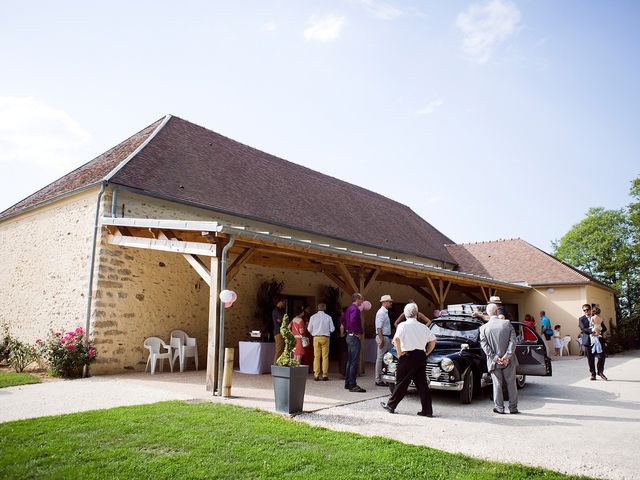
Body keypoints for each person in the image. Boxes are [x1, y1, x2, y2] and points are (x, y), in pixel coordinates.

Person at [380, 303, 436, 417]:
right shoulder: (424, 327)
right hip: (420, 356)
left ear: (405, 314)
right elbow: (433, 342)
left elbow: (396, 340)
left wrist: (400, 353)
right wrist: (426, 353)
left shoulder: (403, 325)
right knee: (422, 384)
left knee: (401, 382)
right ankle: (427, 410)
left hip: (408, 356)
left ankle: (391, 405)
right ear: (417, 314)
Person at [479, 303, 519, 414]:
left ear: (487, 313)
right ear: (497, 311)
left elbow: (485, 346)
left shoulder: (483, 328)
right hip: (508, 360)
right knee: (511, 383)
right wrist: (507, 355)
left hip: (493, 361)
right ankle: (513, 408)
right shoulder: (507, 323)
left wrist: (495, 357)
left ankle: (499, 408)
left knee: (497, 384)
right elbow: (513, 341)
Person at [342, 292, 366, 393]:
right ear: (357, 299)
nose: (363, 301)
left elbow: (343, 320)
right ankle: (352, 384)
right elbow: (353, 321)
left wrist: (348, 330)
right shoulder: (355, 309)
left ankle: (348, 383)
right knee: (354, 361)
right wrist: (357, 332)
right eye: (361, 299)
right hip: (353, 336)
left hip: (349, 336)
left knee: (350, 361)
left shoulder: (348, 308)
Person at [578, 304, 607, 380]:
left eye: (587, 309)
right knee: (590, 359)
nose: (586, 311)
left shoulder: (596, 317)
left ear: (590, 309)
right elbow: (583, 329)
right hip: (588, 341)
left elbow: (604, 328)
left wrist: (599, 331)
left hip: (599, 340)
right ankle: (593, 373)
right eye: (584, 310)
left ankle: (600, 372)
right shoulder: (581, 319)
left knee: (602, 357)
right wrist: (592, 331)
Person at [307, 303, 335, 381]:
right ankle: (324, 375)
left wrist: (314, 333)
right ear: (325, 308)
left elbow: (309, 329)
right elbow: (332, 329)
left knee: (316, 357)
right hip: (325, 337)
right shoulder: (328, 317)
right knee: (325, 357)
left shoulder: (313, 317)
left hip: (316, 338)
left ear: (317, 308)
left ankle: (316, 374)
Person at [374, 295, 394, 386]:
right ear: (385, 302)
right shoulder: (382, 312)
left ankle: (384, 377)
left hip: (386, 337)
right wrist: (381, 339)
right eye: (389, 302)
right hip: (383, 337)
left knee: (386, 357)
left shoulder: (384, 312)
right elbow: (379, 327)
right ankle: (378, 379)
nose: (391, 303)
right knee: (380, 358)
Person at [272, 298, 285, 364]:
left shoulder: (280, 310)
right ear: (279, 302)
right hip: (278, 332)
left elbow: (281, 320)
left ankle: (279, 364)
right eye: (283, 302)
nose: (284, 303)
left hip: (280, 331)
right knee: (279, 349)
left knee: (281, 349)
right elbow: (283, 319)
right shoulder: (276, 310)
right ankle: (275, 365)